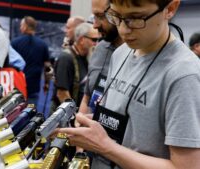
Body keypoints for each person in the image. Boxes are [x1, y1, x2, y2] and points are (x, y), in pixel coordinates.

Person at [57, 0, 200, 169]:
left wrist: (106, 146)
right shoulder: (120, 53)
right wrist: (97, 124)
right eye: (116, 16)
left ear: (170, 9)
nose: (123, 30)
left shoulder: (184, 75)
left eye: (136, 18)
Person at [78, 0, 123, 115]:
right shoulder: (100, 49)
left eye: (100, 16)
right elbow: (87, 97)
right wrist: (80, 123)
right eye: (94, 17)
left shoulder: (139, 53)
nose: (95, 25)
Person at [53, 23, 99, 108]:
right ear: (81, 39)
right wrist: (74, 117)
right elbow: (62, 94)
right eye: (94, 40)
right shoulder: (66, 58)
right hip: (64, 118)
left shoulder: (87, 57)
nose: (96, 44)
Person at [11, 16, 50, 105]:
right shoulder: (43, 45)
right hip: (34, 88)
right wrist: (46, 84)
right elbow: (47, 67)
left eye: (21, 25)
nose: (20, 28)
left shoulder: (15, 43)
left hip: (17, 87)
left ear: (25, 27)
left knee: (14, 116)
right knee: (30, 115)